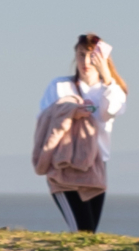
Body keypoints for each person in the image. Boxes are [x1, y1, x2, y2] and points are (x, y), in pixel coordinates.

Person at [38, 34, 128, 232]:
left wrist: (107, 78)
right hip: (64, 165)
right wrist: (71, 111)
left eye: (91, 56)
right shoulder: (59, 86)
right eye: (80, 55)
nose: (85, 62)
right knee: (81, 232)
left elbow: (108, 112)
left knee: (89, 234)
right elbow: (44, 119)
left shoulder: (113, 90)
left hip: (95, 167)